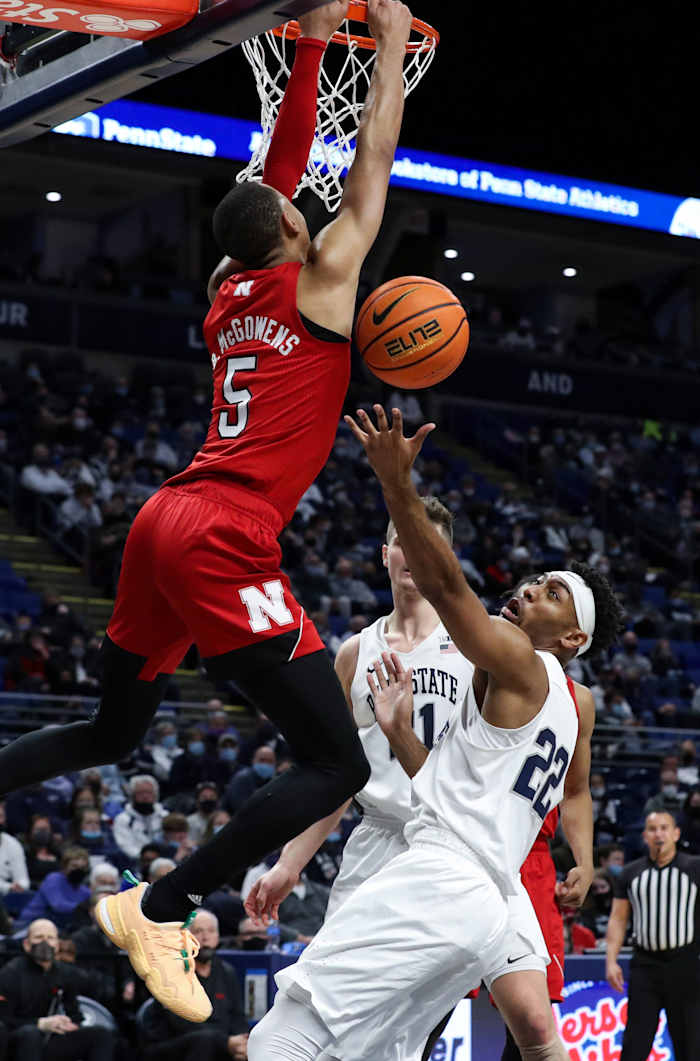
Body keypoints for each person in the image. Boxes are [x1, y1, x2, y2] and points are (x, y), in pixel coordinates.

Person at [247, 406, 623, 1061]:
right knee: (411, 1048)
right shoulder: (564, 706)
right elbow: (462, 791)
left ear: (572, 638)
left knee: (281, 1034)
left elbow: (447, 586)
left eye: (553, 593)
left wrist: (396, 483)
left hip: (442, 874)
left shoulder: (523, 661)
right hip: (488, 890)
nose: (532, 588)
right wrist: (399, 732)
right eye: (538, 580)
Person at [246, 496, 473, 926]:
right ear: (386, 554)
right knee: (332, 966)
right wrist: (290, 864)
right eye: (404, 541)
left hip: (449, 841)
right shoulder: (355, 652)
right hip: (375, 838)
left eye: (427, 542)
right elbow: (339, 775)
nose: (415, 551)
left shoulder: (474, 646)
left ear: (446, 559)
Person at [606, 810, 700, 1061]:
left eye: (664, 828)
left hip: (685, 965)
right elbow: (618, 918)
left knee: (691, 1046)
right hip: (645, 967)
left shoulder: (694, 868)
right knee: (635, 1044)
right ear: (644, 836)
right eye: (652, 829)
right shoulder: (630, 873)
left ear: (676, 834)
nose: (659, 834)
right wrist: (611, 960)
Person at [0, 918, 116, 1061]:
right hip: (16, 1041)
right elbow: (4, 1020)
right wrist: (39, 1024)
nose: (45, 943)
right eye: (38, 937)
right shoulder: (10, 973)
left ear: (57, 944)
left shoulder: (64, 973)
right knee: (30, 1034)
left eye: (50, 938)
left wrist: (69, 1024)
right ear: (26, 944)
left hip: (49, 1039)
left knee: (101, 1035)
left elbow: (74, 1013)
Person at [140, 909, 249, 1060]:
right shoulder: (171, 972)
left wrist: (241, 1043)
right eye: (198, 931)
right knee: (204, 1041)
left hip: (221, 1044)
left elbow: (238, 1017)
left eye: (211, 931)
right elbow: (181, 1024)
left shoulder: (227, 971)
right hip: (174, 1045)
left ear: (218, 937)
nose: (205, 938)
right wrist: (225, 1042)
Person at [0, 799, 30, 895]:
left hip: (7, 895)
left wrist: (20, 886)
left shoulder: (13, 844)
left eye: (1, 816)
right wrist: (7, 887)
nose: (0, 821)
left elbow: (23, 879)